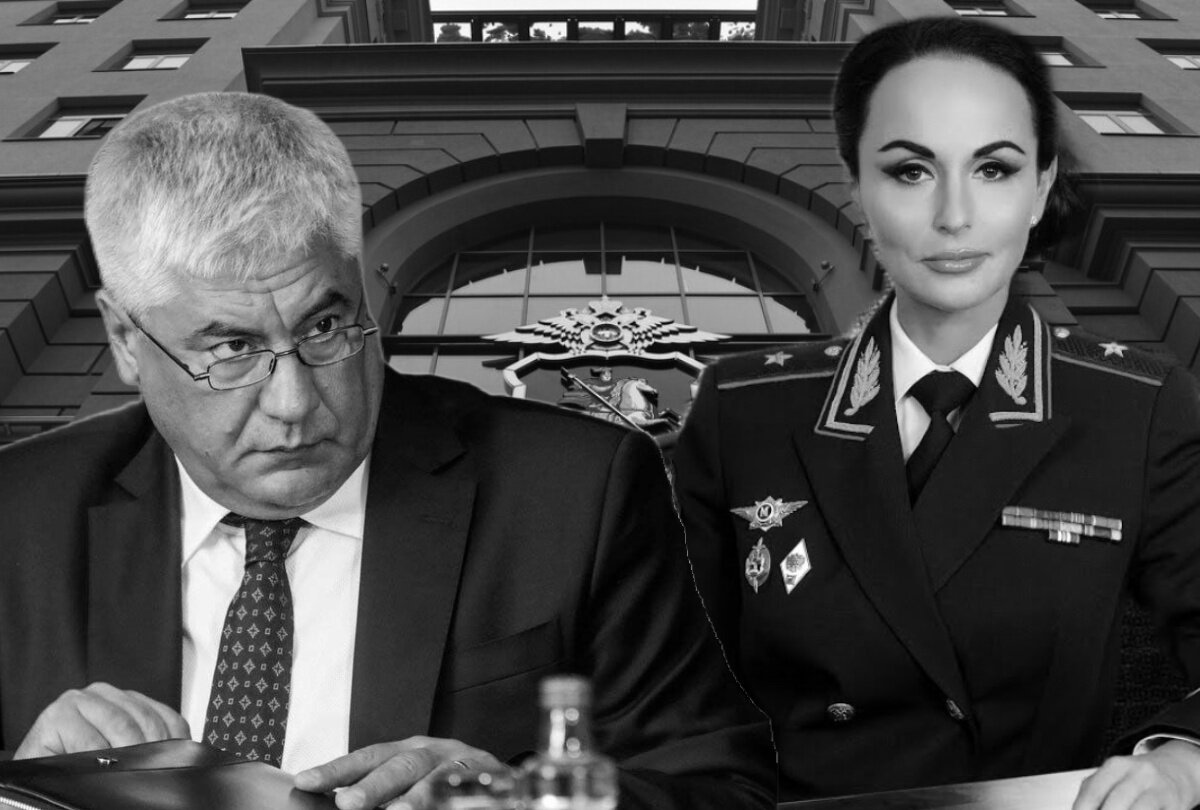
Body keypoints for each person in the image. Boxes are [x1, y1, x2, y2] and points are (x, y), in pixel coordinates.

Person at [0, 91, 775, 810]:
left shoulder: (575, 489)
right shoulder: (18, 512)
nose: (295, 403)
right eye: (231, 349)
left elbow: (722, 789)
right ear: (125, 340)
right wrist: (22, 791)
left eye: (324, 326)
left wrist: (518, 800)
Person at [672, 15, 1200, 810]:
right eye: (910, 171)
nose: (955, 215)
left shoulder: (1135, 404)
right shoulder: (745, 406)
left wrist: (1182, 757)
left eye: (994, 168)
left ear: (1040, 189)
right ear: (858, 188)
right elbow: (678, 682)